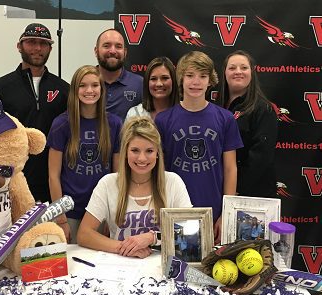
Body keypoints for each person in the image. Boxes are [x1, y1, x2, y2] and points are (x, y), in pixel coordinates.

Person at [155, 51, 243, 244]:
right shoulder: (163, 120)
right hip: (173, 209)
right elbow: (157, 170)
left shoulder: (225, 118)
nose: (196, 82)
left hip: (212, 209)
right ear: (181, 78)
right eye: (190, 75)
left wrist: (226, 213)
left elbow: (230, 167)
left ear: (210, 81)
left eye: (202, 76)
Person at [77, 116, 192, 258]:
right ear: (125, 152)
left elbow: (191, 233)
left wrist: (152, 238)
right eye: (135, 150)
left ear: (157, 153)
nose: (142, 158)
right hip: (120, 266)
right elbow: (84, 234)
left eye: (149, 151)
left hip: (162, 266)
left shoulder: (173, 182)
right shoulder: (108, 183)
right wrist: (126, 247)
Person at [0, 23, 69, 203]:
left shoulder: (64, 89)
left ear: (50, 48)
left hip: (52, 181)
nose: (38, 48)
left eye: (44, 43)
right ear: (19, 46)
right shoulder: (0, 88)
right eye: (31, 42)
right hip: (12, 181)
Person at [47, 65, 122, 243]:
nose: (89, 90)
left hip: (101, 212)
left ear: (102, 89)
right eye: (83, 85)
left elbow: (117, 176)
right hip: (69, 213)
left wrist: (111, 214)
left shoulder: (115, 123)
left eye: (95, 85)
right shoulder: (61, 124)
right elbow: (53, 176)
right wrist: (61, 218)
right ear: (74, 90)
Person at [217, 50, 278, 198]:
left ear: (252, 72)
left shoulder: (263, 109)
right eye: (232, 68)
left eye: (244, 67)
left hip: (251, 193)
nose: (238, 72)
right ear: (224, 73)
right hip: (220, 189)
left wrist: (236, 187)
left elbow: (261, 157)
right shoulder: (216, 107)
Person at [95, 28, 143, 121]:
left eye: (118, 46)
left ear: (125, 52)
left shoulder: (139, 84)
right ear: (96, 51)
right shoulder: (84, 82)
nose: (113, 51)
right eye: (106, 46)